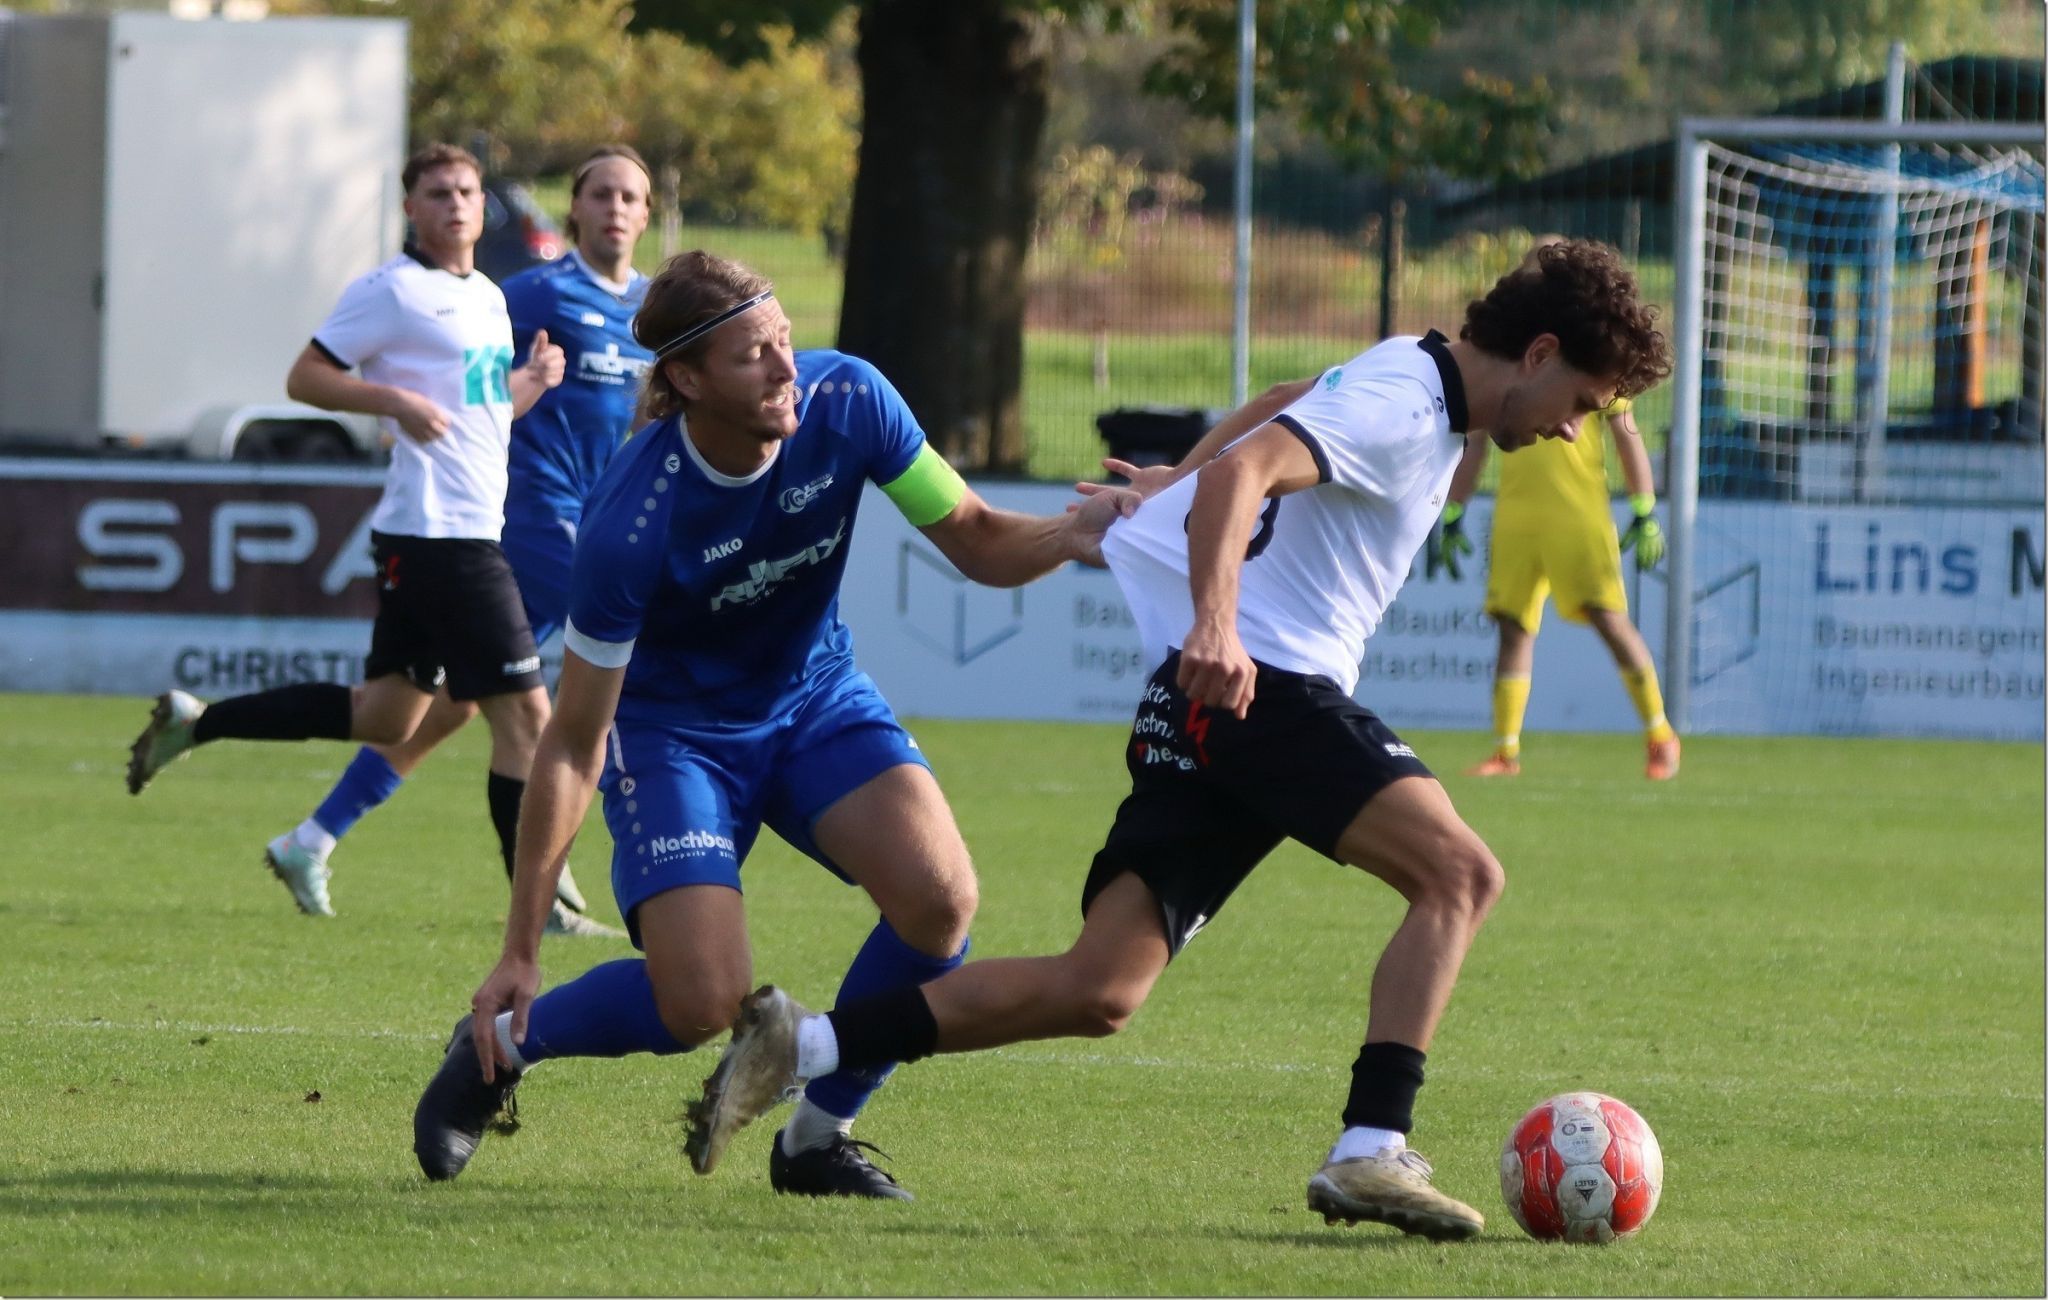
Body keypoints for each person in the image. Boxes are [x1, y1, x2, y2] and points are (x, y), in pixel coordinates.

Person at [682, 239, 1672, 1237]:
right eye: (1581, 404)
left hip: (1211, 704)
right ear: (1538, 352)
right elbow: (1248, 471)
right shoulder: (1405, 401)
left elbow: (1284, 396)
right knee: (1459, 875)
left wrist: (1170, 481)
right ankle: (1370, 1148)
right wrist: (1213, 618)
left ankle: (800, 1045)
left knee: (1096, 987)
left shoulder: (1411, 376)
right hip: (1262, 687)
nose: (1569, 431)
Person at [409, 250, 1141, 1200]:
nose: (787, 368)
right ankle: (499, 1050)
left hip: (813, 697)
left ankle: (813, 1140)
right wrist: (521, 951)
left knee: (939, 900)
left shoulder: (851, 401)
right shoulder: (629, 524)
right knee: (702, 1001)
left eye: (786, 340)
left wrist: (1069, 534)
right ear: (685, 379)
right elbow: (574, 742)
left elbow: (975, 535)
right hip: (674, 735)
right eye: (755, 355)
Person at [125, 143, 566, 922]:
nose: (457, 203)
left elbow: (479, 414)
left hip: (450, 531)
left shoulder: (490, 299)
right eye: (437, 193)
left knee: (388, 717)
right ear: (411, 209)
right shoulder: (392, 291)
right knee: (527, 721)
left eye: (466, 190)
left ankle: (200, 724)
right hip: (441, 538)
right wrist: (392, 402)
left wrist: (527, 384)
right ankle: (537, 919)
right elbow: (307, 377)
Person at [258, 145, 658, 932]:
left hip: (604, 521)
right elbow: (471, 389)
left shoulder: (653, 310)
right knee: (576, 694)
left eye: (630, 197)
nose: (615, 208)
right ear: (574, 208)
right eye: (601, 193)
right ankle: (559, 879)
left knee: (460, 704)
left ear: (647, 214)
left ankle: (314, 835)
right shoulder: (533, 293)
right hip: (535, 521)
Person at [1434, 239, 1679, 781]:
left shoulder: (1589, 358)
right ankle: (1506, 749)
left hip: (1578, 511)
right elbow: (1475, 439)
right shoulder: (1507, 366)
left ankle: (1660, 733)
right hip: (1519, 514)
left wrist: (1643, 505)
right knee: (1512, 626)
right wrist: (1454, 509)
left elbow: (1628, 435)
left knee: (1608, 618)